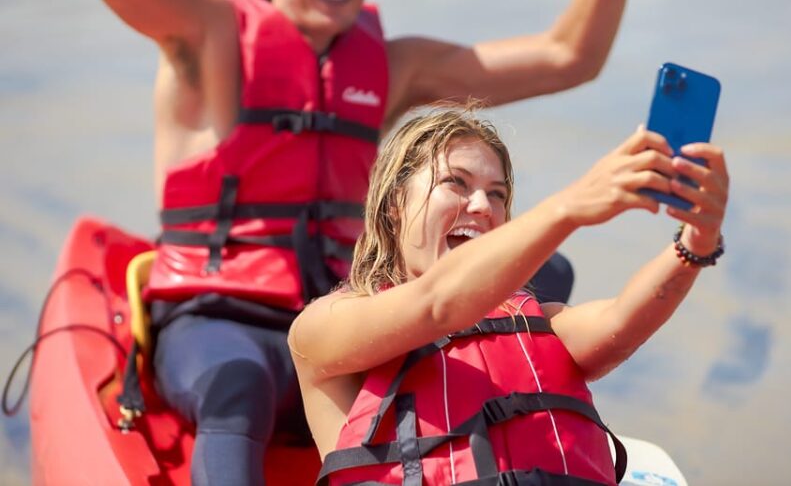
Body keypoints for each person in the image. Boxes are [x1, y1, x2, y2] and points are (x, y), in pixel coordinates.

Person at [53, 0, 650, 483]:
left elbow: (568, 56)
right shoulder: (204, 31)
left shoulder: (390, 66)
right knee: (237, 387)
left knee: (545, 273)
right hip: (223, 318)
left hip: (351, 312)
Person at [290, 107, 728, 484]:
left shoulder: (542, 323)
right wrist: (570, 207)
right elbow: (436, 305)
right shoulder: (323, 328)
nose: (482, 205)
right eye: (456, 183)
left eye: (496, 194)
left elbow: (621, 322)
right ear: (394, 203)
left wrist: (697, 242)